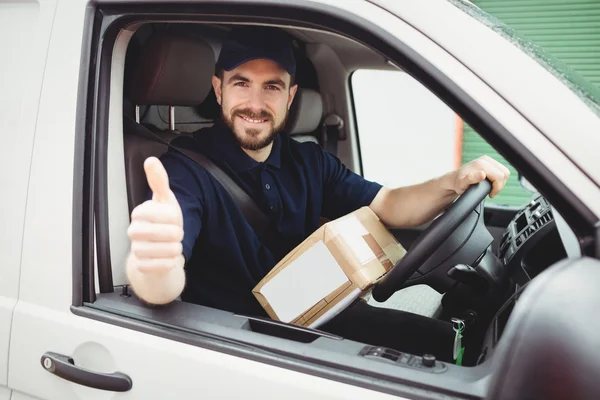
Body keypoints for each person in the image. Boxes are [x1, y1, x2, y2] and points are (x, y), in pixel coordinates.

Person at [125, 26, 510, 361]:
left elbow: (390, 205)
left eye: (271, 86)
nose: (255, 104)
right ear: (218, 89)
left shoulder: (309, 160)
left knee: (440, 341)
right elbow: (161, 278)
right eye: (241, 82)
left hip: (315, 314)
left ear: (290, 96)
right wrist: (155, 265)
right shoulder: (185, 169)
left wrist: (454, 181)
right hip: (242, 340)